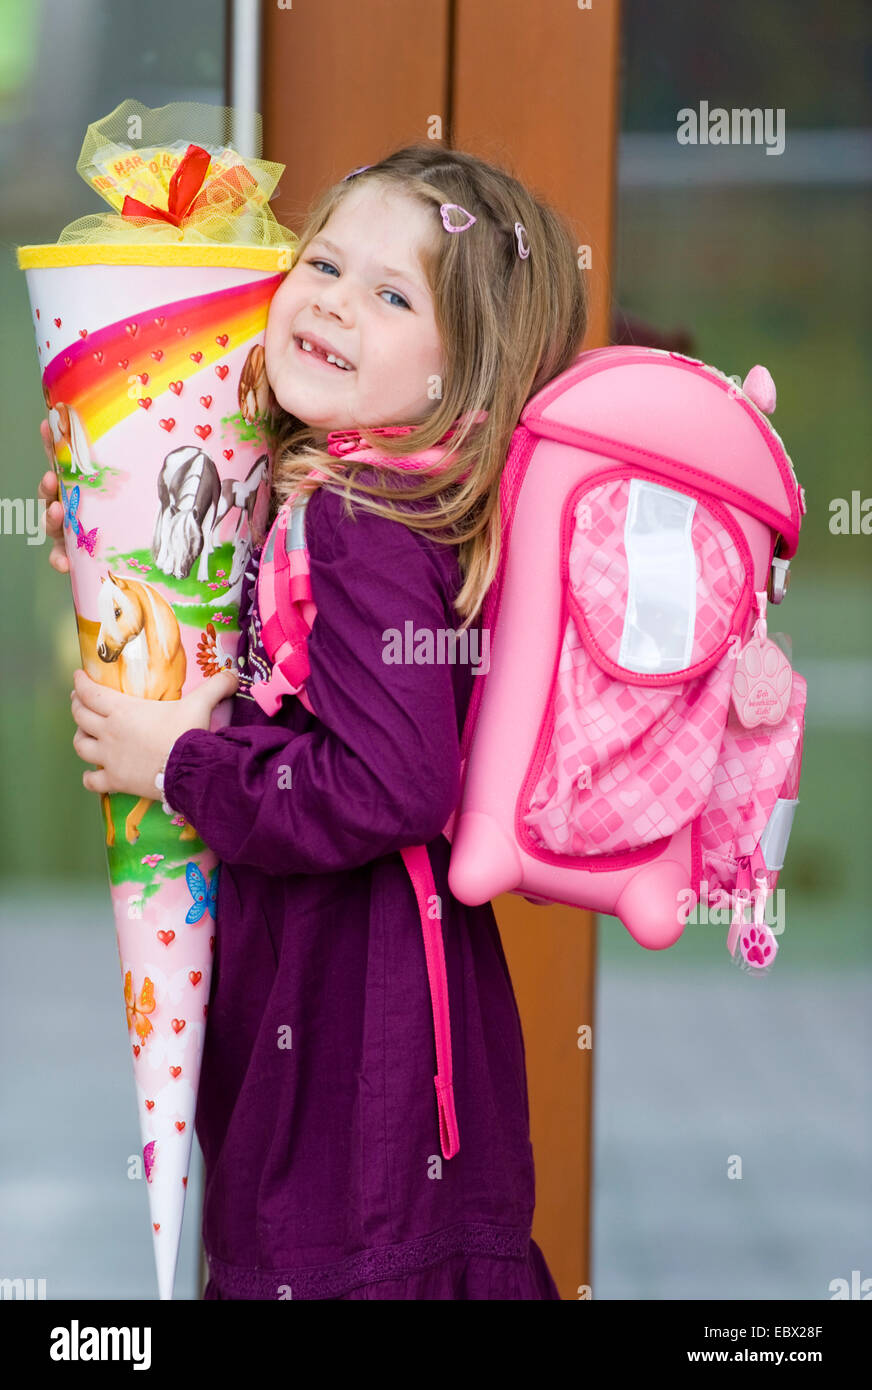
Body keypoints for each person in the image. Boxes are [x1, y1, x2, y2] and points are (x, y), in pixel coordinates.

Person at [38, 144, 587, 1300]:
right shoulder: (354, 490)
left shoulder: (361, 520)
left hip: (355, 1028)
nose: (335, 298)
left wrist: (180, 766)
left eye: (392, 295)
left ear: (463, 369)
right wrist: (112, 525)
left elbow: (388, 781)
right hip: (365, 1007)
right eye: (323, 262)